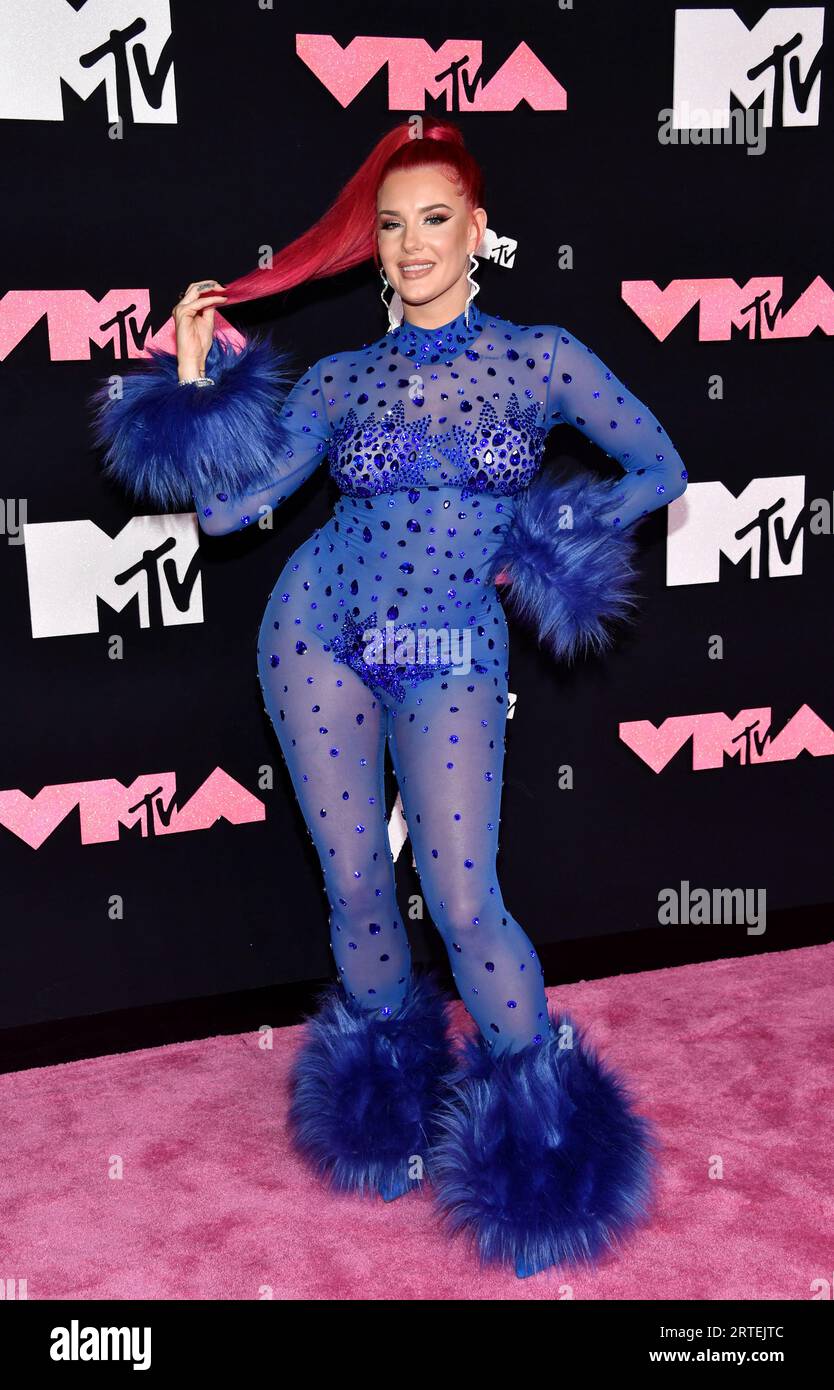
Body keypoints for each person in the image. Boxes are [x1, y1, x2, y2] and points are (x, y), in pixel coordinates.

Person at [89, 116, 687, 1280]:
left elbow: (658, 465)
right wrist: (197, 376)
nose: (411, 246)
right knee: (358, 878)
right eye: (391, 226)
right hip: (317, 637)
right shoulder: (339, 375)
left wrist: (552, 530)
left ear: (478, 229)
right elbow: (221, 513)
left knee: (466, 905)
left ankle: (543, 1161)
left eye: (433, 221)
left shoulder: (542, 355)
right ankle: (380, 1120)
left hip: (452, 648)